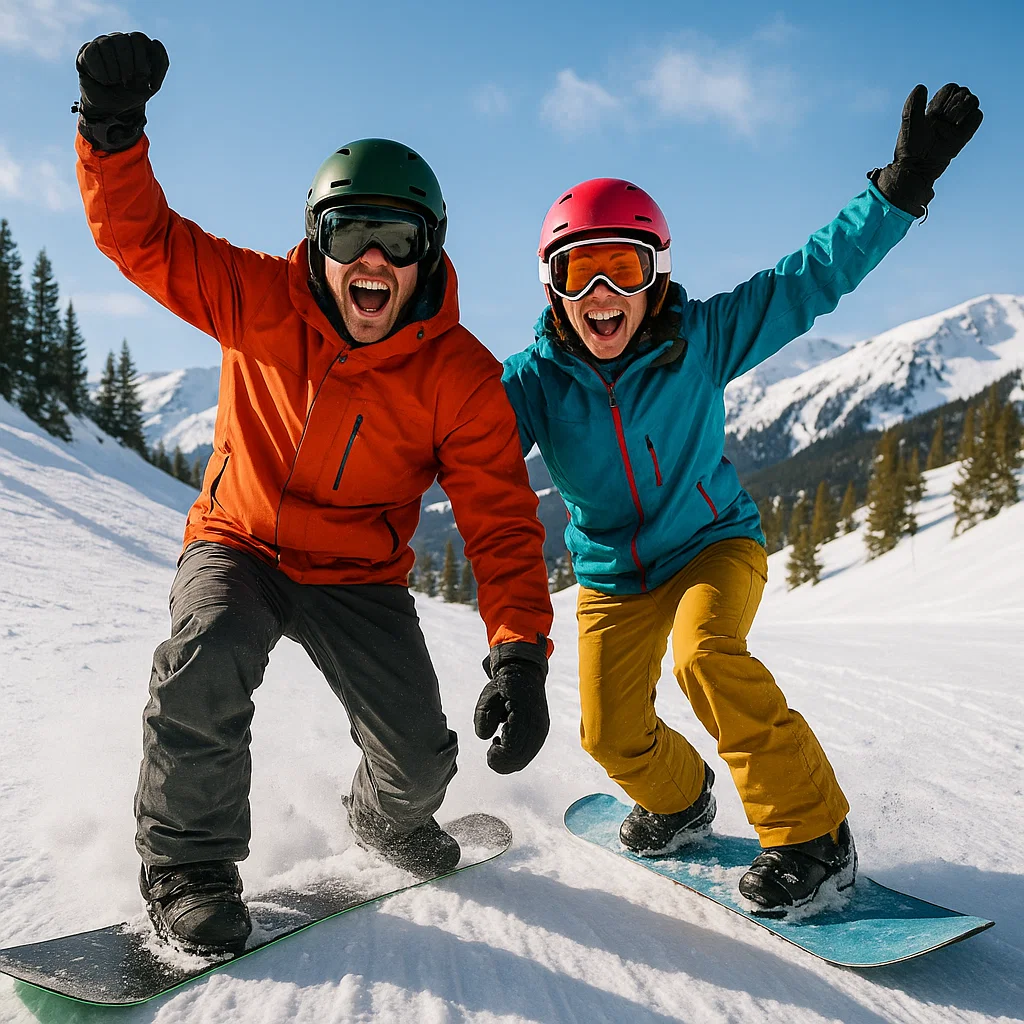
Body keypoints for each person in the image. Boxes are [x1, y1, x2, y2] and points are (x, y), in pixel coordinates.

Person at [73, 31, 554, 954]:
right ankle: (187, 867)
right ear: (315, 242)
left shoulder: (459, 378)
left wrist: (520, 653)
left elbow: (499, 524)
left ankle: (383, 817)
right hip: (240, 542)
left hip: (358, 577)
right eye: (348, 233)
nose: (372, 261)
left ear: (428, 255)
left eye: (398, 239)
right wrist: (112, 129)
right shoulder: (256, 295)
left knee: (418, 757)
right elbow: (141, 237)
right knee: (205, 656)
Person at [503, 84, 982, 911]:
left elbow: (808, 280)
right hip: (612, 576)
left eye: (622, 268)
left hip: (713, 545)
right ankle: (682, 800)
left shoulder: (703, 339)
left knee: (703, 657)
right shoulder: (533, 384)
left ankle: (814, 837)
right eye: (578, 273)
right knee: (611, 737)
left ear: (655, 278)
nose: (600, 295)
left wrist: (900, 190)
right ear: (553, 289)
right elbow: (456, 451)